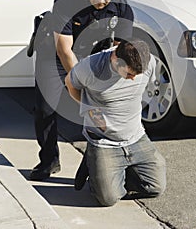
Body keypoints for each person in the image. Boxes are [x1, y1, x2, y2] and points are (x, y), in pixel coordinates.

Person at [30, 0, 134, 181]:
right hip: (54, 52)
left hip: (94, 54)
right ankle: (49, 160)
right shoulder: (68, 0)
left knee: (103, 107)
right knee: (46, 108)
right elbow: (64, 50)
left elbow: (121, 50)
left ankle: (93, 163)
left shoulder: (122, 8)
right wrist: (82, 84)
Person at [65, 39, 166, 206]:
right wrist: (88, 107)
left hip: (136, 136)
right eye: (129, 74)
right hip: (104, 140)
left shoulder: (149, 62)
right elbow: (70, 83)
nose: (133, 79)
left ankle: (112, 172)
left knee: (155, 188)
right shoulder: (91, 68)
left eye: (137, 75)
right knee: (108, 199)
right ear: (114, 59)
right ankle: (96, 166)